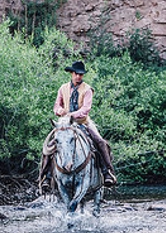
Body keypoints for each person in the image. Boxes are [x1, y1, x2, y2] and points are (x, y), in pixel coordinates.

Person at [38, 60, 117, 190]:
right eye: (76, 74)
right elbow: (56, 105)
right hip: (65, 124)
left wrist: (71, 114)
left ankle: (107, 172)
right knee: (49, 147)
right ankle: (45, 177)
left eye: (81, 74)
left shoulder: (87, 90)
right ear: (72, 73)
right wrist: (59, 111)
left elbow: (86, 109)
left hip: (83, 122)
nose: (78, 76)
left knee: (100, 142)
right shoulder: (63, 88)